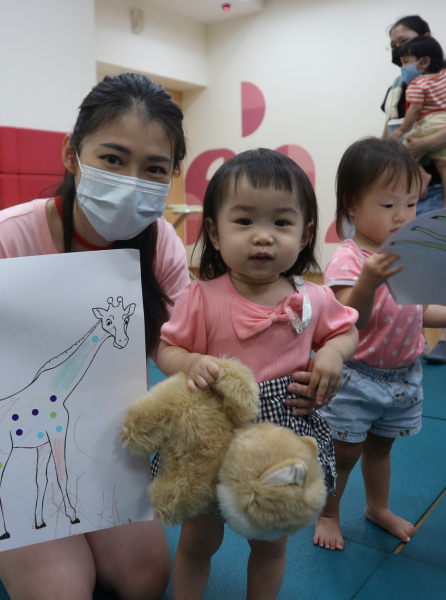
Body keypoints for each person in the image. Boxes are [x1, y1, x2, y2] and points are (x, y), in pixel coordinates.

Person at [0, 73, 191, 600]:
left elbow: (177, 347)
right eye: (113, 158)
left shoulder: (162, 244)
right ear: (72, 154)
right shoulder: (3, 240)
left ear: (172, 175)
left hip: (107, 446)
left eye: (154, 169)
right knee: (63, 591)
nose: (130, 180)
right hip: (10, 439)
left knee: (145, 579)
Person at [155, 149, 360, 599]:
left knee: (270, 542)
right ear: (213, 230)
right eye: (244, 222)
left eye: (281, 224)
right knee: (198, 540)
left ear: (306, 233)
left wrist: (333, 354)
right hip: (214, 436)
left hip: (281, 437)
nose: (263, 238)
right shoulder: (201, 297)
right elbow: (166, 348)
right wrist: (188, 363)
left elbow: (347, 331)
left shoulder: (316, 298)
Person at [312, 138, 446, 551]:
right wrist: (368, 282)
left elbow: (421, 309)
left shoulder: (407, 255)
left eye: (411, 205)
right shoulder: (350, 259)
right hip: (355, 378)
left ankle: (377, 507)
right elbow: (345, 319)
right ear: (352, 204)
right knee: (345, 453)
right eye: (388, 205)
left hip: (402, 376)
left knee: (380, 448)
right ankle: (328, 512)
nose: (402, 217)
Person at [383, 15, 446, 365]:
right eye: (394, 44)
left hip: (445, 183)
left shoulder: (445, 75)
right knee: (407, 263)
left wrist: (422, 145)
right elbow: (392, 128)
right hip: (406, 189)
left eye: (404, 40)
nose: (398, 48)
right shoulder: (399, 84)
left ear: (425, 39)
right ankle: (414, 336)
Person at [389, 36, 446, 210]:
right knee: (445, 166)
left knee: (404, 150)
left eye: (406, 62)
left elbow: (415, 110)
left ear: (425, 61)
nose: (403, 67)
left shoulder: (417, 83)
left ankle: (422, 174)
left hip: (429, 122)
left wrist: (402, 129)